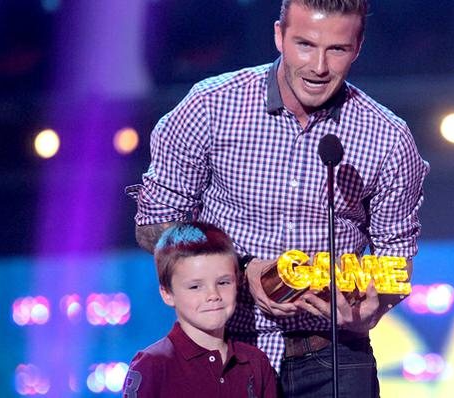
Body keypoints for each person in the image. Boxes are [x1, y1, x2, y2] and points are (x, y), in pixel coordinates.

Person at [126, 0, 429, 396]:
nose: (319, 67)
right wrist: (243, 270)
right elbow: (155, 224)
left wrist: (376, 304)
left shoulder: (388, 138)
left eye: (336, 49)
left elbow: (397, 257)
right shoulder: (211, 106)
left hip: (334, 355)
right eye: (305, 44)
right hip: (225, 348)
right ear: (279, 36)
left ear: (358, 47)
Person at [121, 222, 278, 397]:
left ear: (237, 282)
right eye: (195, 286)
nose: (213, 295)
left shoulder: (255, 362)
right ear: (167, 293)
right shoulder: (153, 365)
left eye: (223, 282)